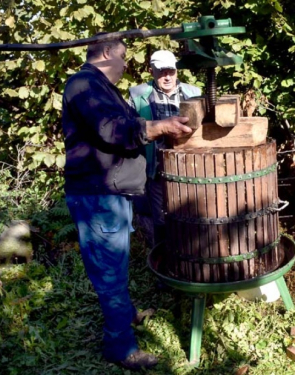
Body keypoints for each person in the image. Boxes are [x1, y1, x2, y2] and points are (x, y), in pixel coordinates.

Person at [62, 36, 192, 370]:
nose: (125, 65)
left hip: (112, 193)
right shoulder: (85, 85)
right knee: (109, 272)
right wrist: (160, 126)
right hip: (97, 196)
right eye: (122, 58)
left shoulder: (98, 86)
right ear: (106, 53)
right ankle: (120, 348)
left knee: (116, 262)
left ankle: (126, 316)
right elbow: (111, 129)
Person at [128, 50, 201, 247]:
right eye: (161, 72)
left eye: (170, 70)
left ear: (177, 70)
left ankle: (191, 254)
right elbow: (130, 131)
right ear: (151, 71)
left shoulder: (193, 93)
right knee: (161, 218)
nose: (167, 76)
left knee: (192, 214)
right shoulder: (138, 95)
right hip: (156, 169)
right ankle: (165, 260)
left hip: (190, 168)